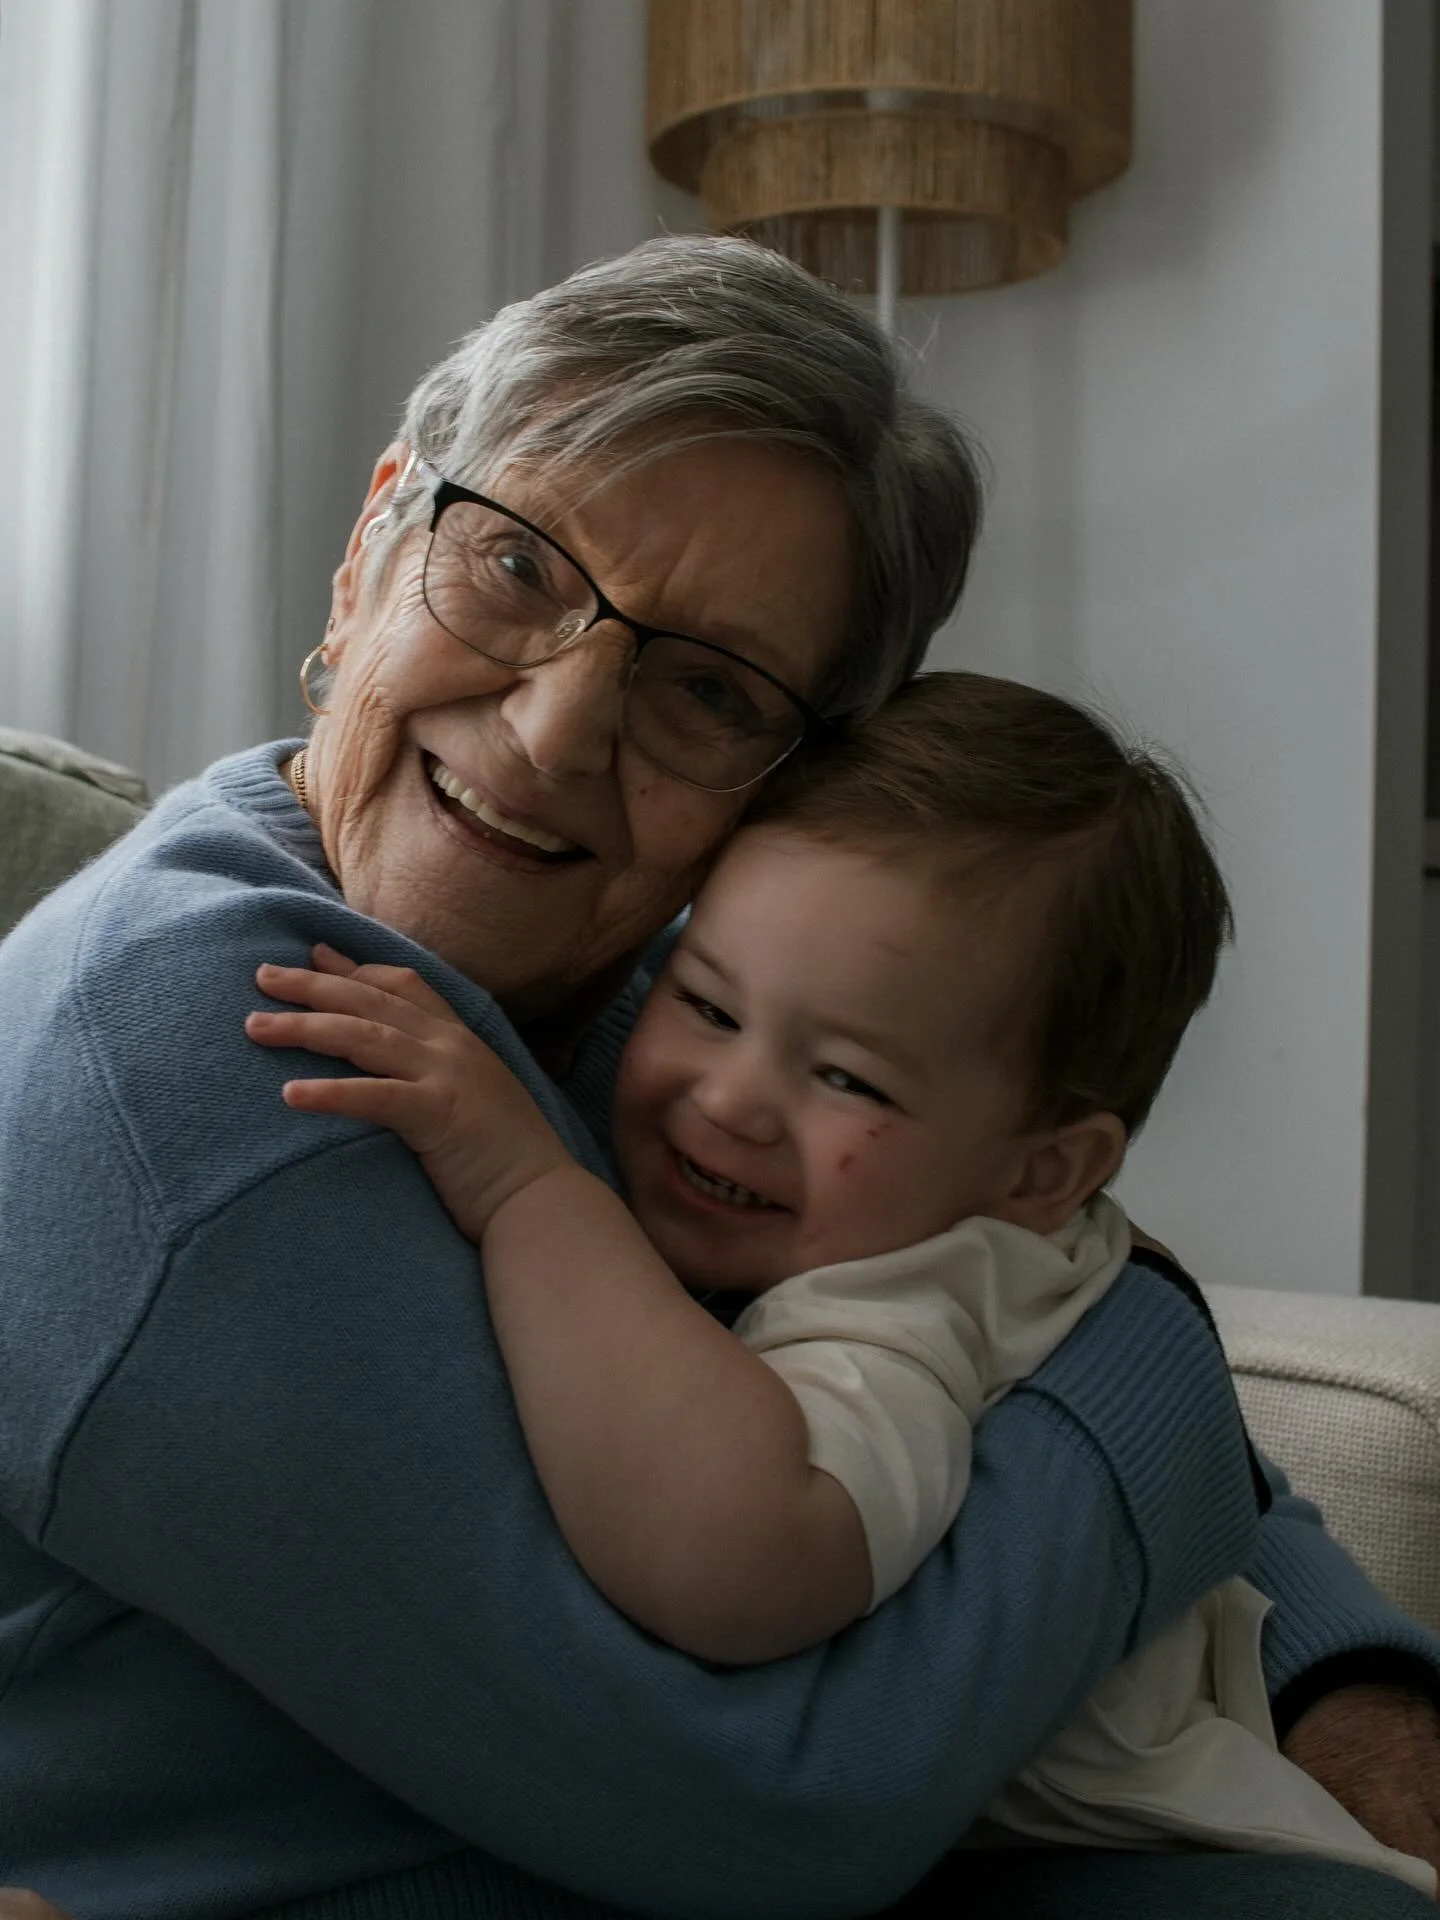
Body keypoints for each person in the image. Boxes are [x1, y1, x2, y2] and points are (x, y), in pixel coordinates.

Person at [0, 236, 1437, 1920]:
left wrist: (1344, 1679)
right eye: (518, 567)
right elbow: (772, 1807)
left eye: (705, 688)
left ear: (790, 783)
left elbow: (1013, 1317)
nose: (557, 731)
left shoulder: (637, 999)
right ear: (369, 550)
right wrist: (1158, 1386)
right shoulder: (221, 1047)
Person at [249, 668, 1432, 1893]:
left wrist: (522, 1187)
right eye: (704, 1001)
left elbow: (738, 1557)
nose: (729, 1102)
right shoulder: (901, 1201)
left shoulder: (905, 1306)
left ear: (1042, 1173)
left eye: (850, 1081)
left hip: (1157, 1855)